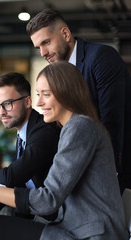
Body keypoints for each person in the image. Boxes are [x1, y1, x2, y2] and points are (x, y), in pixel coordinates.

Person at [0, 61, 128, 240]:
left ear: (67, 93)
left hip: (88, 233)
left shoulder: (79, 127)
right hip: (73, 227)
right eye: (38, 94)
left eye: (46, 95)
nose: (38, 103)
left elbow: (47, 200)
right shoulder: (74, 127)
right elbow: (23, 185)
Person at [26, 8, 131, 192]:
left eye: (46, 42)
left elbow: (112, 121)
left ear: (65, 33)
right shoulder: (59, 74)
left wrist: (108, 175)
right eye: (38, 47)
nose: (43, 52)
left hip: (114, 173)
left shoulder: (101, 57)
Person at [0, 72, 60, 240]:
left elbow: (12, 177)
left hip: (58, 222)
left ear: (28, 101)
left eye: (7, 104)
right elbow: (13, 184)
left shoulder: (44, 131)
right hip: (37, 215)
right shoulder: (24, 135)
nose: (1, 112)